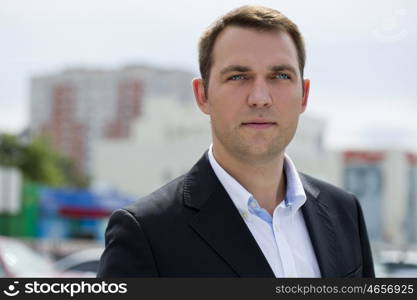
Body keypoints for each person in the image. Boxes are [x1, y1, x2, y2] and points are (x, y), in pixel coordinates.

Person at [97, 5, 374, 278]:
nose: (260, 97)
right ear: (202, 95)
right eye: (238, 76)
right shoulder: (146, 232)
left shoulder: (344, 212)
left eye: (280, 76)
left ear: (304, 94)